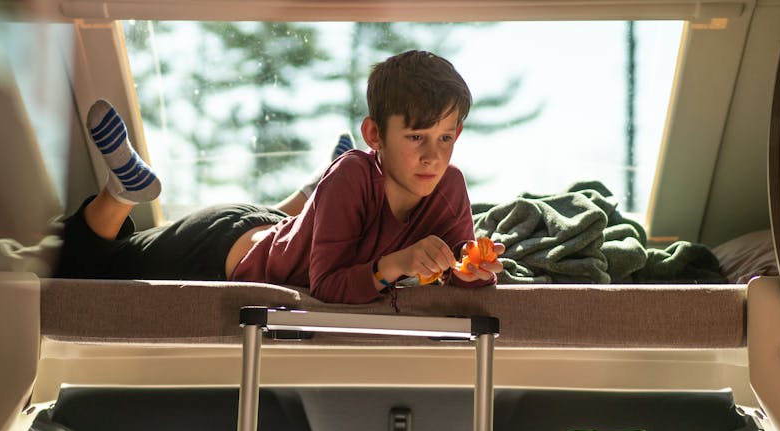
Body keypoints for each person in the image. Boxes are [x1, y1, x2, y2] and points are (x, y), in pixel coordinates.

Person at [58, 50, 503, 304]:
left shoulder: (450, 187)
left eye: (445, 138)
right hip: (218, 248)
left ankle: (311, 193)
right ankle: (123, 190)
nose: (432, 156)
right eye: (416, 137)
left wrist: (476, 269)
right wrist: (399, 263)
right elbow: (327, 286)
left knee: (296, 228)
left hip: (271, 229)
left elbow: (462, 281)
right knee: (82, 267)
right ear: (375, 136)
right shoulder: (355, 177)